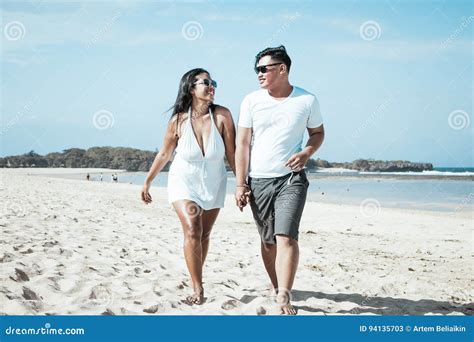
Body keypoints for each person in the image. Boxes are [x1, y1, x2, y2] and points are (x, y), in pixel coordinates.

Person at [235, 46, 325, 315]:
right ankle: (276, 286)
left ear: (282, 69)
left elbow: (318, 133)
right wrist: (241, 183)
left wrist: (307, 152)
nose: (259, 74)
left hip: (291, 179)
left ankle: (284, 296)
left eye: (264, 68)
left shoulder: (307, 100)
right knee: (268, 242)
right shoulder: (251, 100)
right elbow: (242, 143)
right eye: (257, 70)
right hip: (258, 181)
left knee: (285, 236)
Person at [141, 68, 236, 305]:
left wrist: (243, 184)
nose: (212, 85)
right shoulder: (178, 121)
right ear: (191, 88)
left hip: (214, 183)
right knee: (193, 229)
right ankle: (198, 288)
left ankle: (195, 275)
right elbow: (164, 153)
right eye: (206, 82)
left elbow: (233, 154)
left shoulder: (222, 116)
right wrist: (148, 181)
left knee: (204, 234)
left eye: (213, 81)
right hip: (184, 182)